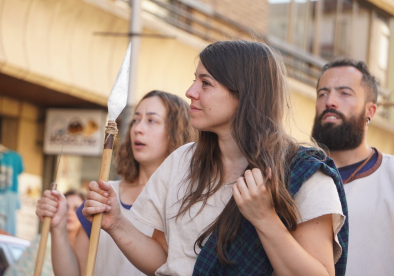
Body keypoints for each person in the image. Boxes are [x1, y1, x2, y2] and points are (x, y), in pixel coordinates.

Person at [84, 40, 348, 276]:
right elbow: (166, 260)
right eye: (194, 80)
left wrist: (264, 219)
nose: (190, 91)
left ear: (244, 93)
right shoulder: (182, 161)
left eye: (205, 83)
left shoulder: (302, 174)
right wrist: (117, 223)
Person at [36, 90, 195, 276]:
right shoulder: (103, 193)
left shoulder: (186, 201)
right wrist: (58, 226)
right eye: (135, 119)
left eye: (151, 120)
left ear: (177, 131)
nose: (138, 128)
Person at [311, 58, 394, 276]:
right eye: (322, 93)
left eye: (344, 93)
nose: (330, 101)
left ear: (371, 111)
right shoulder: (297, 175)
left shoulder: (391, 175)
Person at [4, 190, 84, 276]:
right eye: (66, 207)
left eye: (77, 209)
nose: (70, 213)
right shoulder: (43, 241)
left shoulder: (85, 249)